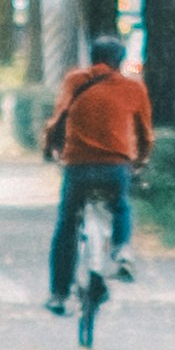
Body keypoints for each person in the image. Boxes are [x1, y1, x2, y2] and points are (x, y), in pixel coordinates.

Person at [42, 24, 151, 312]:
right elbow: (145, 135)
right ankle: (122, 250)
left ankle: (59, 294)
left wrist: (49, 148)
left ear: (92, 57)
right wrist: (139, 162)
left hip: (77, 166)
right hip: (116, 167)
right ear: (120, 60)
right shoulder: (133, 88)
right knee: (120, 205)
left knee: (67, 224)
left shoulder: (75, 81)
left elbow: (57, 119)